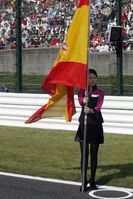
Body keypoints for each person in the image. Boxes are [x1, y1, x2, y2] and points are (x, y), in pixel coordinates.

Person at [75, 68, 105, 191]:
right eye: (90, 78)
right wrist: (83, 101)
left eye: (94, 78)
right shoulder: (82, 92)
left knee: (94, 155)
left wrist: (91, 110)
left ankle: (92, 180)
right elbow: (80, 102)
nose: (92, 80)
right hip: (84, 126)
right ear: (86, 79)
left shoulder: (100, 92)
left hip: (96, 125)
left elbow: (98, 106)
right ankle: (84, 180)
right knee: (84, 156)